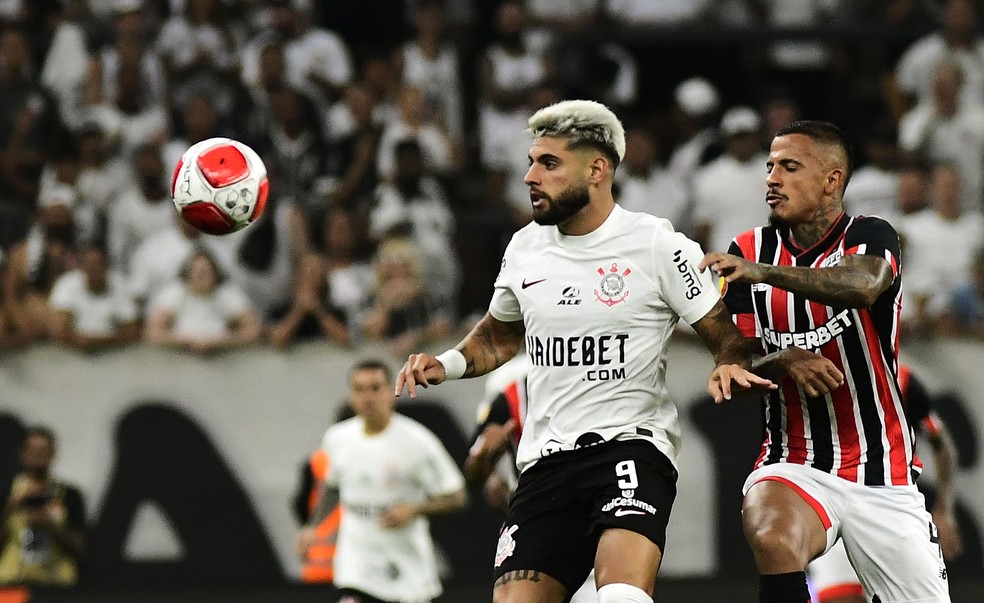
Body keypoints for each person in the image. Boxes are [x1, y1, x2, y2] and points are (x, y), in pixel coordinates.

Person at [395, 99, 778, 603]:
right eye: (531, 162)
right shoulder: (524, 248)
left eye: (549, 163)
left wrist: (729, 361)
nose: (530, 176)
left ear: (598, 170)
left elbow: (724, 333)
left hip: (630, 449)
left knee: (619, 597)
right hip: (545, 464)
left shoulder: (656, 245)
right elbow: (497, 337)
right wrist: (441, 365)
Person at [700, 120, 951, 603]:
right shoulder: (748, 248)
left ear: (832, 180)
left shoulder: (871, 235)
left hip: (882, 469)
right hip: (794, 459)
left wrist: (766, 273)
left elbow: (862, 287)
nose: (772, 178)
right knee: (772, 534)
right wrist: (780, 359)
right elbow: (741, 353)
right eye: (770, 166)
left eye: (789, 167)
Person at [298, 359, 467, 603]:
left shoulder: (417, 441)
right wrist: (313, 527)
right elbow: (334, 487)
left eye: (375, 388)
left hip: (407, 570)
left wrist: (415, 509)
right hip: (356, 567)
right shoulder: (338, 438)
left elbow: (457, 496)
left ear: (392, 393)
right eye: (359, 389)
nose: (367, 397)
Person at [807, 363, 963, 603]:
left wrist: (945, 509)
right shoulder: (816, 369)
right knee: (841, 597)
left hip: (890, 505)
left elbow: (941, 442)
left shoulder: (900, 377)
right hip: (833, 499)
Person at [0, 426, 85, 586]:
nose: (37, 455)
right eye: (32, 450)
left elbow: (80, 546)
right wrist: (11, 508)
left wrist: (50, 526)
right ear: (22, 454)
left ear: (53, 454)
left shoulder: (69, 495)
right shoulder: (7, 494)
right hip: (11, 581)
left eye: (43, 450)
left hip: (55, 584)